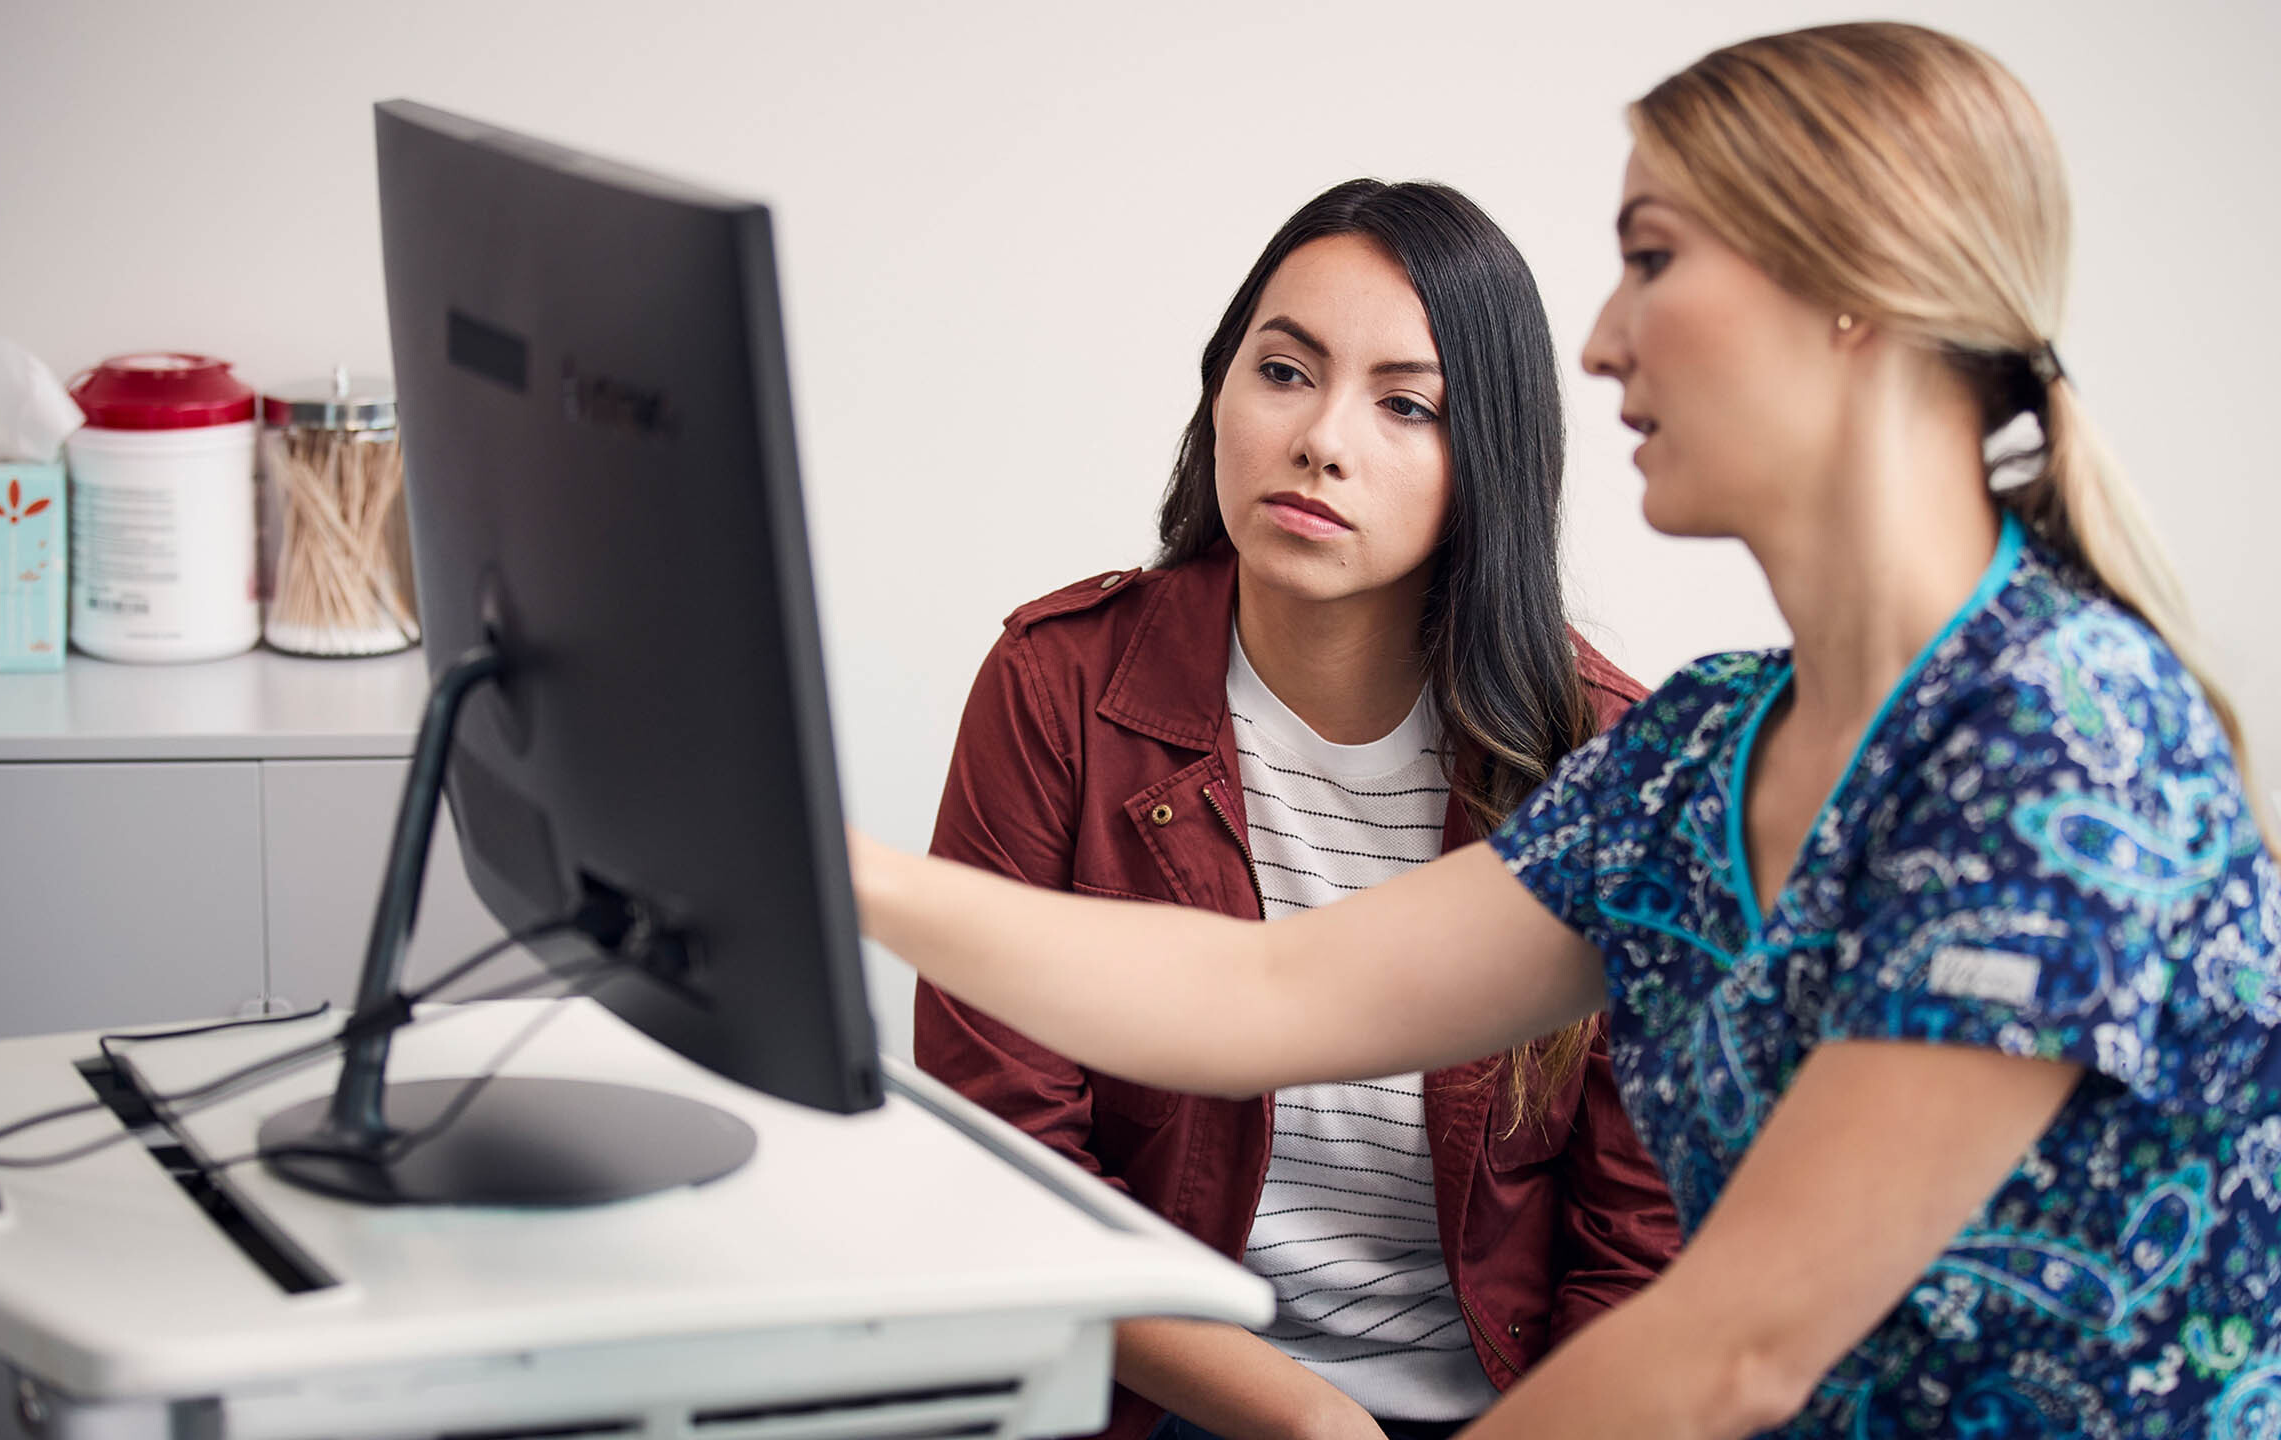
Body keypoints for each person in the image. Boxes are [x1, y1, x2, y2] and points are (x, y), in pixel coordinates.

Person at [857, 22, 2280, 1438]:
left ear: (1859, 298)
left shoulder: (2060, 733)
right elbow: (1270, 996)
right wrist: (818, 867)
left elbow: (1734, 1351)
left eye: (1652, 260)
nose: (1599, 344)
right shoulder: (1702, 747)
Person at [915, 179, 1679, 1440]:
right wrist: (1308, 1420)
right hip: (1157, 1397)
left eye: (1405, 404)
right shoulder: (1060, 686)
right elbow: (1009, 1147)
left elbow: (1639, 1234)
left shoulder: (1610, 762)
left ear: (1487, 457)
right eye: (1284, 371)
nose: (1324, 439)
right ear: (1219, 391)